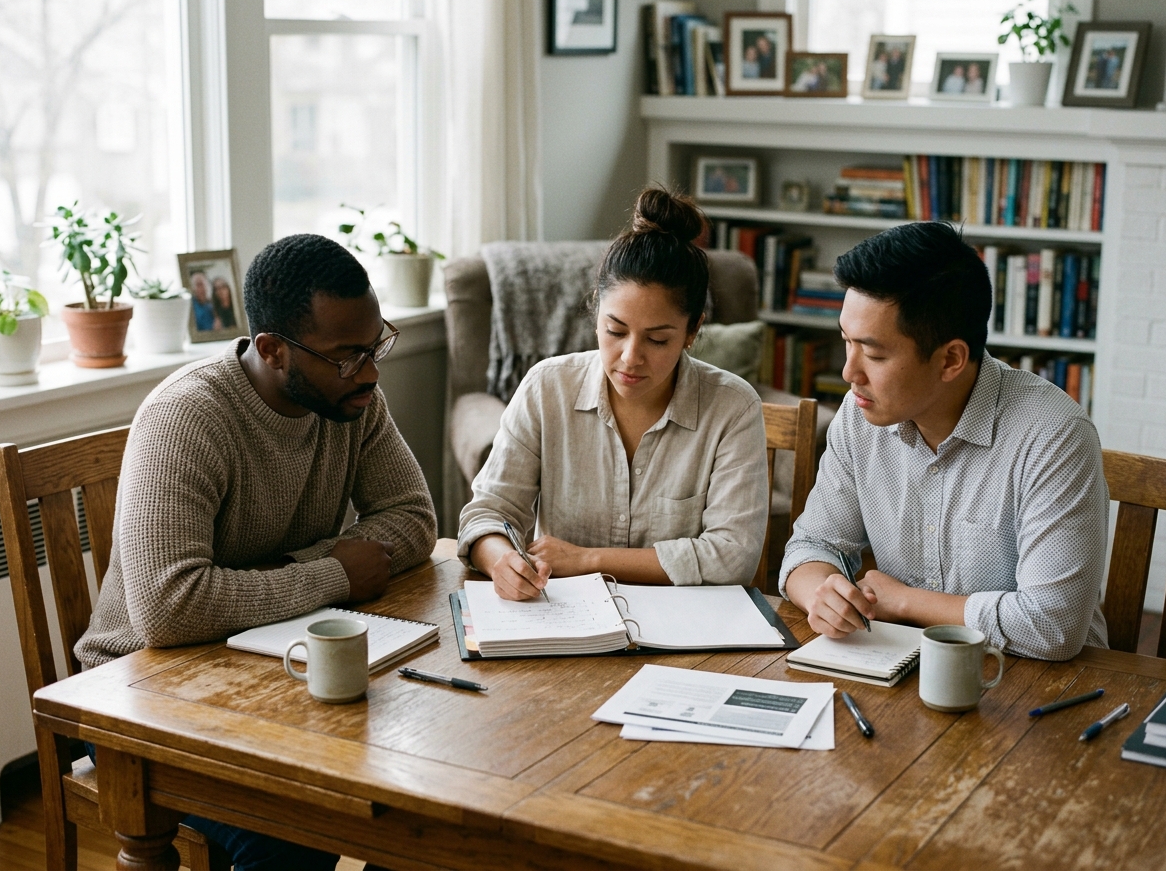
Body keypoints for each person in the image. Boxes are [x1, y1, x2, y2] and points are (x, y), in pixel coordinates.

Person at [75, 232, 438, 870]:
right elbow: (170, 607)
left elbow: (414, 518)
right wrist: (332, 575)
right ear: (271, 349)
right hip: (142, 693)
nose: (372, 372)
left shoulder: (352, 401)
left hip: (272, 668)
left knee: (418, 803)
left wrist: (289, 575)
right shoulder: (186, 420)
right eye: (349, 355)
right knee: (296, 833)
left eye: (377, 343)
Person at [780, 222, 1108, 662]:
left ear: (951, 359)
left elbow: (1052, 625)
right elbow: (810, 547)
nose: (849, 373)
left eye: (874, 354)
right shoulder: (860, 415)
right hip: (899, 662)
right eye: (846, 342)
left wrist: (903, 601)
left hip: (1035, 681)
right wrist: (820, 591)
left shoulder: (1052, 436)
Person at [457, 187, 769, 600]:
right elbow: (488, 513)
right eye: (615, 330)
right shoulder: (547, 387)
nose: (630, 357)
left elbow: (733, 557)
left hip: (683, 632)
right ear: (596, 310)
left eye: (657, 340)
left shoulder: (732, 406)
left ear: (693, 331)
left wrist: (589, 560)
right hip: (564, 620)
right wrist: (501, 560)